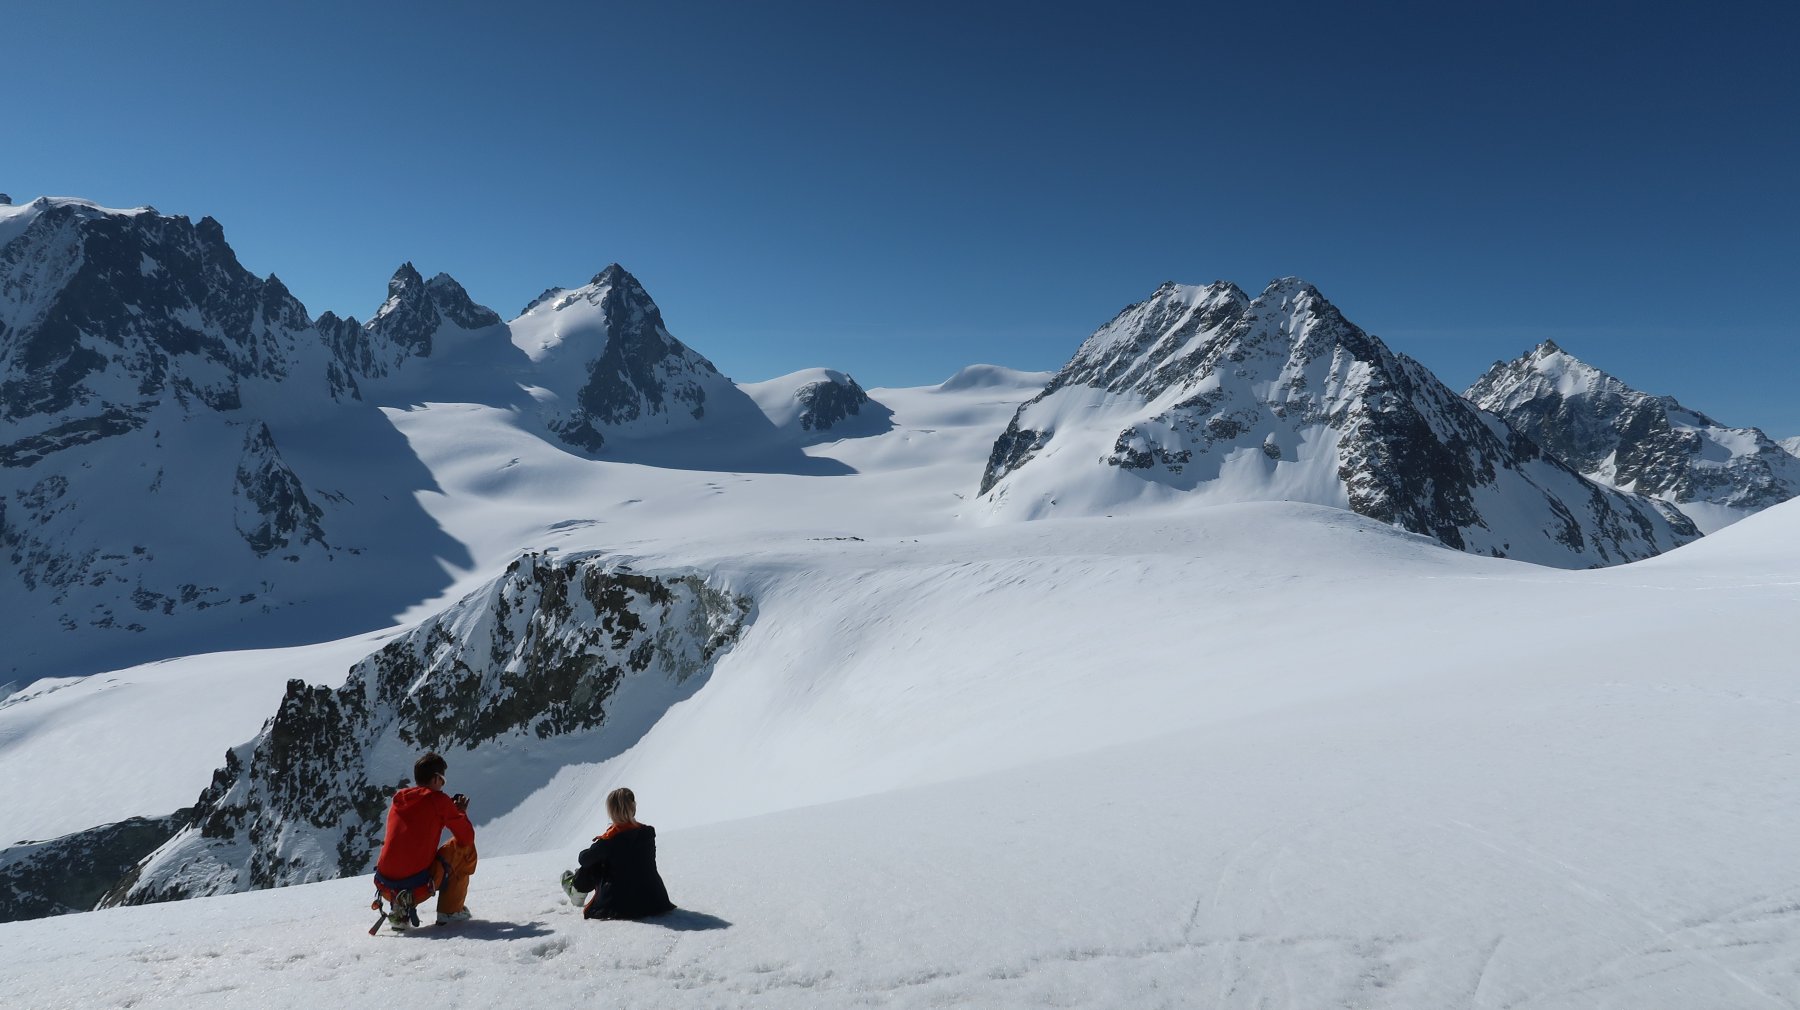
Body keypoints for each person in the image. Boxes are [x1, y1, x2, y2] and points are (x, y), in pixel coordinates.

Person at [373, 751, 477, 929]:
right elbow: (466, 837)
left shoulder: (399, 800)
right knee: (463, 849)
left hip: (385, 886)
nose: (443, 784)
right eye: (443, 780)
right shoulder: (438, 800)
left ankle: (400, 910)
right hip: (418, 887)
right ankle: (450, 911)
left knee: (402, 858)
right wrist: (459, 812)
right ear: (436, 779)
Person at [560, 786, 675, 920]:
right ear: (633, 808)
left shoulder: (609, 840)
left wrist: (596, 847)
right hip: (655, 899)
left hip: (620, 905)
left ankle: (576, 889)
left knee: (594, 863)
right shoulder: (647, 833)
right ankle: (577, 887)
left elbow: (584, 859)